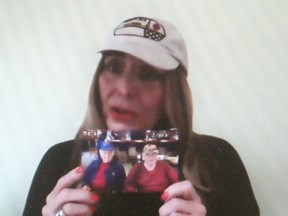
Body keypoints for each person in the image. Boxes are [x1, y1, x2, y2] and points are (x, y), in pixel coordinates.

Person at [23, 16, 259, 216]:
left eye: (147, 74)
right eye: (114, 67)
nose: (124, 89)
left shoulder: (218, 160)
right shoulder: (59, 160)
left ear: (173, 92)